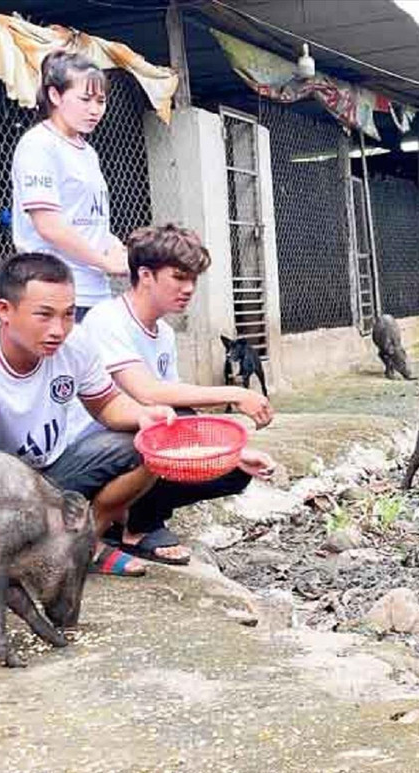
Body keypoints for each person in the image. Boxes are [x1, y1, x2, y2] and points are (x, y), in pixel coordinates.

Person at [0, 253, 184, 611]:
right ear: (4, 310)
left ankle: (84, 544)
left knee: (145, 444)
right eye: (44, 315)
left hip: (54, 477)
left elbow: (108, 404)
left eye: (67, 314)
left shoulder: (75, 345)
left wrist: (145, 416)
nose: (58, 329)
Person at [67, 224, 277, 566]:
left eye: (193, 279)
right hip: (94, 448)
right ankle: (139, 525)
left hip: (136, 437)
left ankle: (130, 516)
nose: (189, 288)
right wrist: (235, 394)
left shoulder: (162, 332)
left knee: (234, 466)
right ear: (146, 275)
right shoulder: (108, 320)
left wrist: (236, 451)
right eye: (179, 277)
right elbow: (147, 392)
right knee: (169, 424)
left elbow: (176, 400)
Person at [11, 50, 127, 321]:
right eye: (85, 99)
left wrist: (116, 247)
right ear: (55, 96)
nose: (95, 109)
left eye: (101, 101)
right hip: (54, 292)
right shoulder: (39, 145)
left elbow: (88, 221)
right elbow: (49, 226)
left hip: (94, 291)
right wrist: (105, 262)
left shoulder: (87, 152)